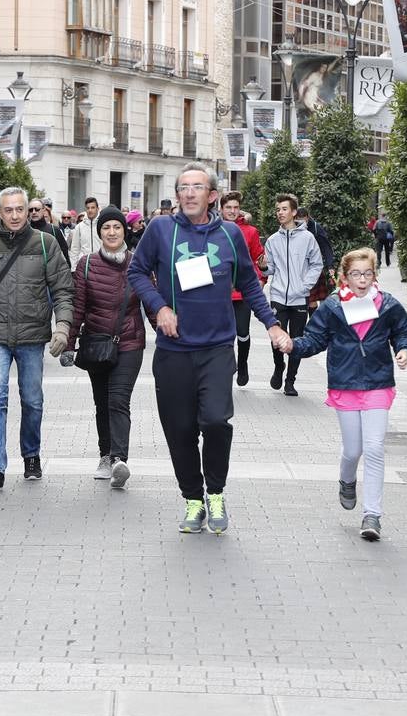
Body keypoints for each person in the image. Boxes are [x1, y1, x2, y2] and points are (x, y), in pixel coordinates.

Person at [129, 162, 292, 535]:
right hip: (173, 351)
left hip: (218, 346)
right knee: (180, 429)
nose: (188, 193)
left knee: (216, 421)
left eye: (196, 187)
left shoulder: (231, 234)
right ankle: (193, 499)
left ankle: (215, 492)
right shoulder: (160, 230)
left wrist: (271, 324)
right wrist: (160, 306)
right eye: (182, 187)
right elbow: (137, 271)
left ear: (212, 195)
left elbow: (250, 284)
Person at [0, 187, 74, 492]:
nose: (14, 215)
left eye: (19, 209)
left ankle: (31, 454)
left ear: (28, 210)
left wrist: (63, 326)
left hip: (32, 335)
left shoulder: (46, 244)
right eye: (8, 210)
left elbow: (63, 289)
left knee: (32, 400)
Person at [290, 248, 407, 541]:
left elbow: (401, 331)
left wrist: (404, 349)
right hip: (344, 383)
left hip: (378, 383)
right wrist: (290, 345)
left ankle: (372, 515)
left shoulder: (387, 304)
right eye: (356, 274)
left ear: (374, 276)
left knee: (374, 449)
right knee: (353, 450)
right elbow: (314, 340)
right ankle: (347, 479)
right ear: (344, 277)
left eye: (367, 274)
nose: (362, 280)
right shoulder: (333, 307)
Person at [61, 206, 145, 489]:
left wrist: (171, 334)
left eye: (117, 227)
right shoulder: (86, 264)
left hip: (130, 342)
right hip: (97, 344)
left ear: (125, 232)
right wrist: (69, 344)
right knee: (102, 403)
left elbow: (153, 303)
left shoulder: (138, 264)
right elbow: (78, 308)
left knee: (118, 399)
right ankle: (105, 455)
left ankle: (120, 459)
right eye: (106, 228)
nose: (111, 232)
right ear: (100, 233)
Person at [263, 194, 323, 396]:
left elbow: (317, 264)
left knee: (296, 340)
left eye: (284, 209)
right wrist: (263, 267)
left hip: (299, 297)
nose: (280, 212)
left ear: (294, 212)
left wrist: (305, 286)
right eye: (278, 209)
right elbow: (270, 269)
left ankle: (290, 380)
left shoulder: (308, 238)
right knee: (277, 337)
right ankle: (278, 367)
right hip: (278, 296)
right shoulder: (272, 240)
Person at [219, 191, 266, 386]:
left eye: (235, 207)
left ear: (240, 209)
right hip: (219, 292)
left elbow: (259, 258)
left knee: (243, 332)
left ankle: (243, 364)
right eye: (228, 207)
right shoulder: (213, 228)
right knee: (223, 333)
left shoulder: (250, 231)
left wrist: (263, 277)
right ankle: (227, 367)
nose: (232, 211)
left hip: (242, 291)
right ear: (221, 209)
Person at [297, 208, 335, 311]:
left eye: (303, 219)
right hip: (298, 267)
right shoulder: (293, 227)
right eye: (298, 219)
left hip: (313, 266)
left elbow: (326, 247)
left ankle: (312, 323)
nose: (301, 222)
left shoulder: (316, 228)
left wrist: (330, 265)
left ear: (307, 217)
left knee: (311, 299)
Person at [28, 198, 71, 265]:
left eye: (37, 209)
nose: (34, 212)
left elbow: (65, 255)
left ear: (43, 210)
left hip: (51, 272)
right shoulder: (24, 231)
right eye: (31, 210)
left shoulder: (54, 230)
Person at [68, 196, 101, 269]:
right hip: (84, 267)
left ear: (97, 209)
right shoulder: (79, 227)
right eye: (88, 208)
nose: (90, 210)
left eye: (93, 207)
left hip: (101, 266)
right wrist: (73, 268)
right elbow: (75, 249)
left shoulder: (103, 225)